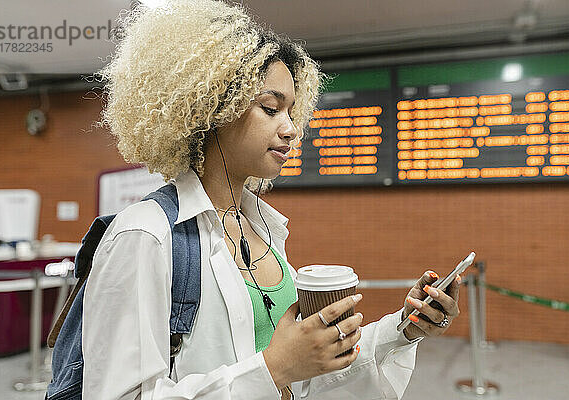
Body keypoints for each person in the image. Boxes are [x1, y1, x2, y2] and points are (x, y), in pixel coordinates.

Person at [83, 0, 462, 398]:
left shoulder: (264, 229)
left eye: (292, 112)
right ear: (211, 106)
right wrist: (275, 367)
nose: (292, 130)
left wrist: (401, 328)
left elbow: (306, 374)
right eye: (270, 108)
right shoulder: (146, 236)